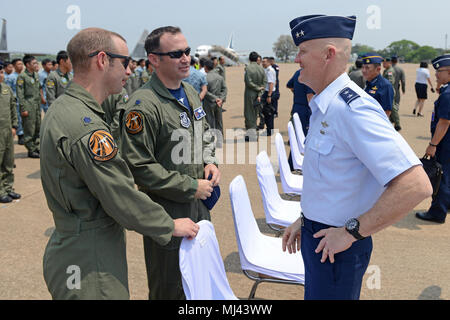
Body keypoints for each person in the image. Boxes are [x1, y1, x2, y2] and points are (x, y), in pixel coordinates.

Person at [40, 27, 199, 300]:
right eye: (125, 63)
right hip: (91, 263)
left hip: (75, 249)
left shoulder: (65, 108)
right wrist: (169, 224)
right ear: (102, 60)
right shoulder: (86, 126)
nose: (129, 71)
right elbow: (120, 194)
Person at [282, 14, 432, 300]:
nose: (297, 59)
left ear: (329, 54)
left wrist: (351, 231)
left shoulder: (353, 110)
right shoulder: (326, 105)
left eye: (302, 51)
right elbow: (334, 180)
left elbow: (416, 184)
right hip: (319, 238)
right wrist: (307, 218)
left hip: (338, 249)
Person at [119, 26, 220, 300]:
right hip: (168, 213)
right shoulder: (143, 105)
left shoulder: (188, 91)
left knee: (199, 282)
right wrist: (190, 186)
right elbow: (139, 167)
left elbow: (204, 133)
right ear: (154, 59)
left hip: (199, 205)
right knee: (170, 285)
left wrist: (210, 161)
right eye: (176, 54)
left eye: (187, 51)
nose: (186, 58)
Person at [416, 54, 450, 224]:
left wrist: (433, 144)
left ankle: (437, 212)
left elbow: (444, 123)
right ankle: (446, 204)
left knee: (442, 176)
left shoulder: (448, 94)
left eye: (439, 71)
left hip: (445, 144)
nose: (436, 75)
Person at [286, 68, 315, 171]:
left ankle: (292, 164)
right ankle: (293, 164)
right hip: (305, 110)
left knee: (296, 137)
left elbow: (289, 85)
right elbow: (310, 95)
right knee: (302, 138)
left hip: (296, 107)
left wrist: (297, 93)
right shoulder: (310, 73)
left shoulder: (298, 72)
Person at [0, 63, 21, 203]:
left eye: (1, 72)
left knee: (8, 161)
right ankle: (1, 190)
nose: (0, 75)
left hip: (7, 131)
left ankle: (8, 188)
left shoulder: (6, 89)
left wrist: (14, 126)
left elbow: (13, 109)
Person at [16, 55, 41, 158]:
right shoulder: (22, 77)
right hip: (28, 105)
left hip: (36, 105)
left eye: (36, 63)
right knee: (29, 129)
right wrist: (23, 108)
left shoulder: (36, 75)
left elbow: (39, 89)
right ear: (27, 65)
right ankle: (31, 149)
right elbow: (20, 94)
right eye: (34, 63)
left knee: (37, 127)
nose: (36, 65)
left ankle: (37, 147)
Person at [361, 53, 394, 118]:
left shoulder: (385, 86)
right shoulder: (368, 83)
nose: (363, 70)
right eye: (363, 67)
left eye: (367, 68)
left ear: (378, 69)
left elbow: (386, 112)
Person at [243, 51, 266, 141]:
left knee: (249, 114)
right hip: (259, 95)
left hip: (250, 93)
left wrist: (257, 88)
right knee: (255, 113)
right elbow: (264, 82)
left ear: (249, 59)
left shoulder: (248, 68)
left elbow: (248, 82)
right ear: (257, 59)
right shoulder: (261, 69)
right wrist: (260, 92)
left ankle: (251, 135)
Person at [204, 58, 227, 146]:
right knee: (219, 121)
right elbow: (224, 89)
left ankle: (211, 140)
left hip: (209, 102)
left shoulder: (205, 78)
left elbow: (205, 91)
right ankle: (220, 141)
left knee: (210, 121)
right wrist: (220, 99)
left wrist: (214, 98)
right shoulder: (220, 77)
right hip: (219, 103)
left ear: (206, 67)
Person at [5, 59, 24, 145]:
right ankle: (20, 135)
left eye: (21, 64)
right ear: (14, 66)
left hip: (23, 101)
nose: (21, 66)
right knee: (18, 119)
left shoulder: (23, 76)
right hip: (15, 101)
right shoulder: (11, 77)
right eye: (19, 64)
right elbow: (8, 90)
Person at [383, 57, 401, 130]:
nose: (383, 64)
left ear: (389, 63)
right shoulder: (386, 70)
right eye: (383, 63)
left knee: (392, 107)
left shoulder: (389, 71)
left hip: (389, 90)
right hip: (386, 90)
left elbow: (390, 82)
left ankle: (397, 124)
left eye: (385, 63)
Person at [260, 57, 276, 136]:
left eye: (264, 62)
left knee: (268, 113)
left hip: (269, 93)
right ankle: (269, 129)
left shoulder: (270, 71)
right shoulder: (267, 70)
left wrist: (269, 95)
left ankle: (270, 130)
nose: (263, 63)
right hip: (268, 91)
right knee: (267, 112)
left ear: (269, 63)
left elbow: (271, 83)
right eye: (262, 62)